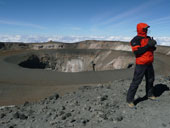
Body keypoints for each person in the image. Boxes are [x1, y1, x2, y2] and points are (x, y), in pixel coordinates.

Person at [126, 23, 157, 108]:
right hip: (141, 64)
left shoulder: (148, 38)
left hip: (149, 63)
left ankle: (149, 94)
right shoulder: (135, 40)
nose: (146, 30)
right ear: (140, 29)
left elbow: (150, 49)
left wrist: (153, 46)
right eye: (145, 28)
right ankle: (130, 100)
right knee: (136, 82)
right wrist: (148, 45)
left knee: (150, 80)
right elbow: (137, 52)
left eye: (147, 28)